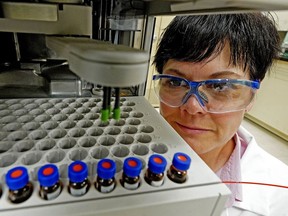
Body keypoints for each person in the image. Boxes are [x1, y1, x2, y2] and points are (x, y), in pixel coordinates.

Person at [152, 13, 288, 215]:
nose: (192, 106)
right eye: (176, 82)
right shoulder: (123, 153)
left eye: (220, 86)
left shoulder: (280, 192)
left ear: (251, 95)